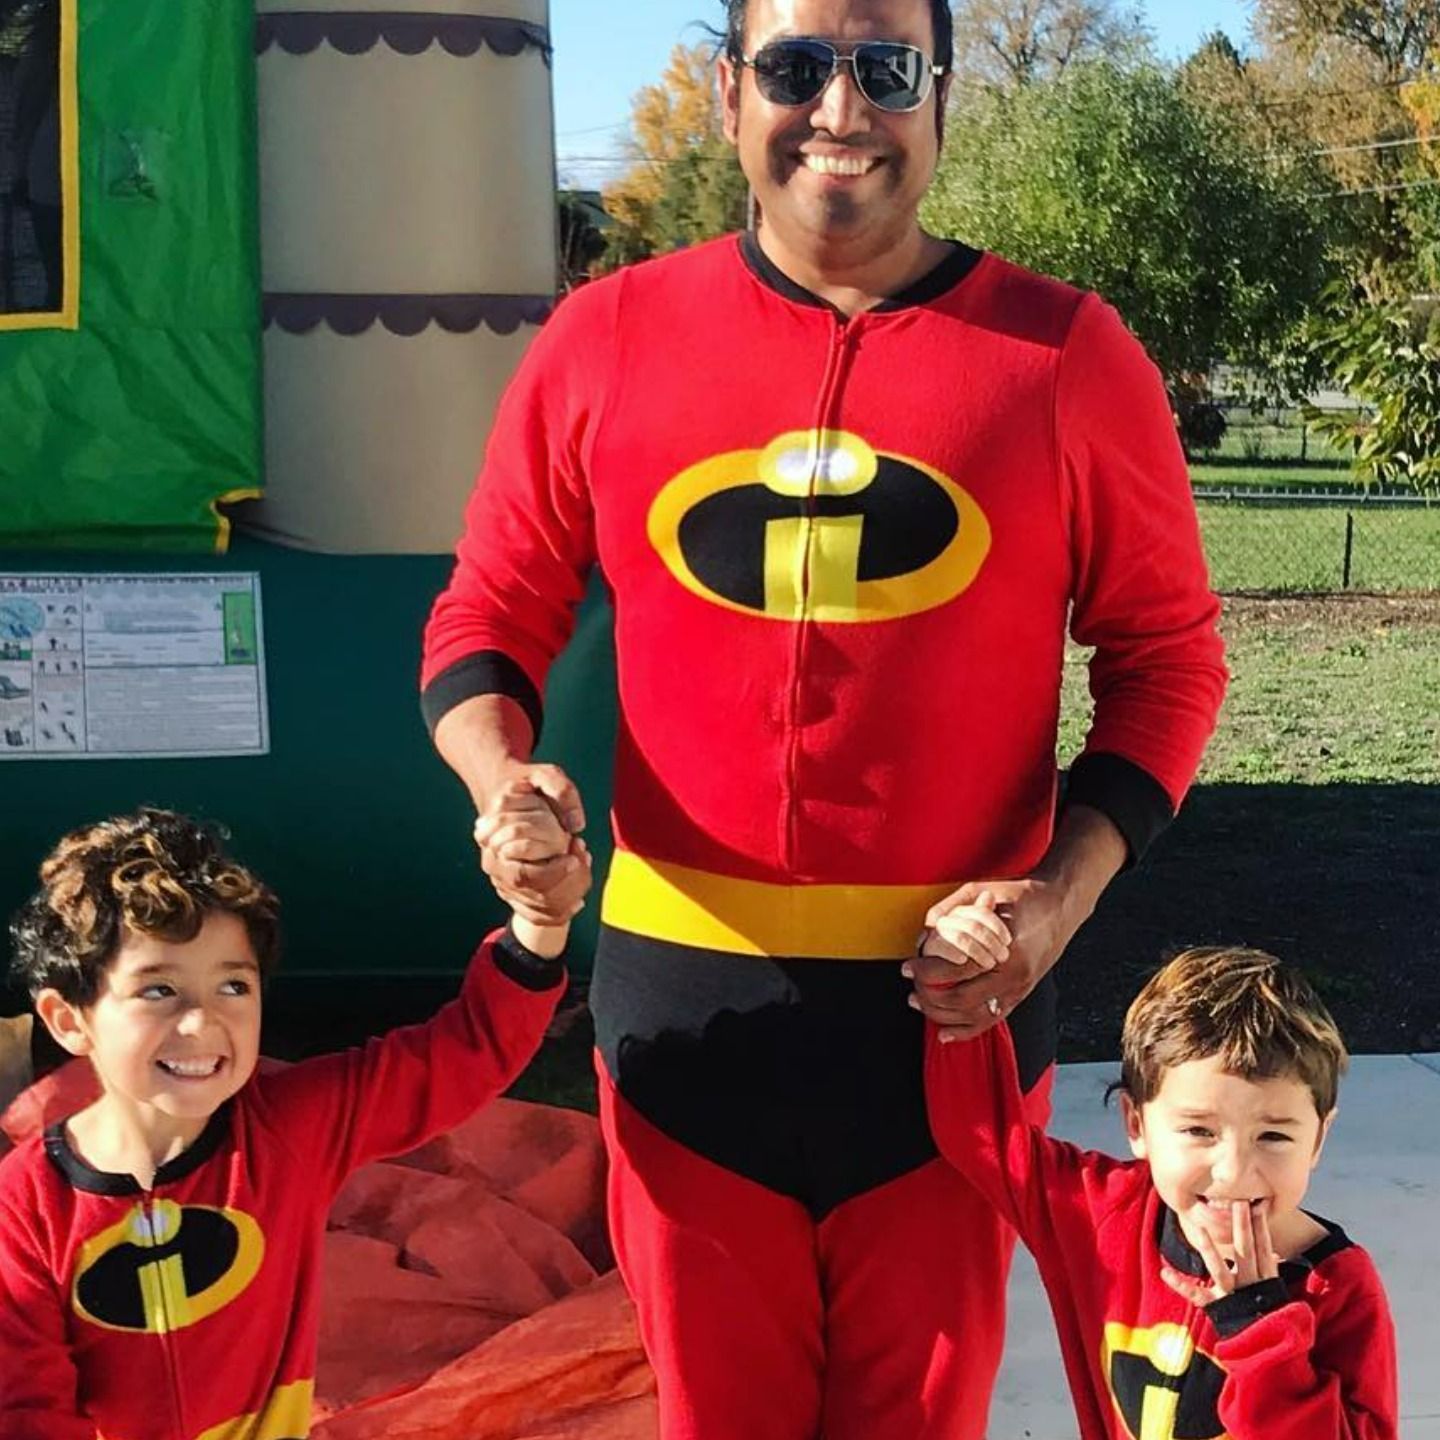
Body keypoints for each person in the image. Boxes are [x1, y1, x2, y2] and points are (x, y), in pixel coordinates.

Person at [419, 0, 1227, 1433]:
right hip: (683, 1028)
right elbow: (486, 611)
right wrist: (503, 783)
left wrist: (1057, 901)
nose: (841, 111)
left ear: (941, 97)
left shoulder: (1061, 353)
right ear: (729, 93)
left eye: (886, 69)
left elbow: (1168, 659)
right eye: (796, 67)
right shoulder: (608, 336)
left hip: (952, 1028)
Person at [0, 802, 572, 1440]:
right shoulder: (24, 1208)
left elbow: (456, 1058)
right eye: (158, 990)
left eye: (233, 987)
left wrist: (539, 924)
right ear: (68, 1020)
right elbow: (26, 1406)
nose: (202, 1021)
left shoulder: (290, 1129)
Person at [924, 924, 1398, 1440]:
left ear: (1318, 1139)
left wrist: (1261, 1330)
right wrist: (962, 980)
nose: (1233, 1171)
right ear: (1136, 1124)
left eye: (1273, 1137)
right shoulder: (1102, 1215)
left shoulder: (1336, 1289)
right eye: (1199, 1131)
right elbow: (984, 1136)